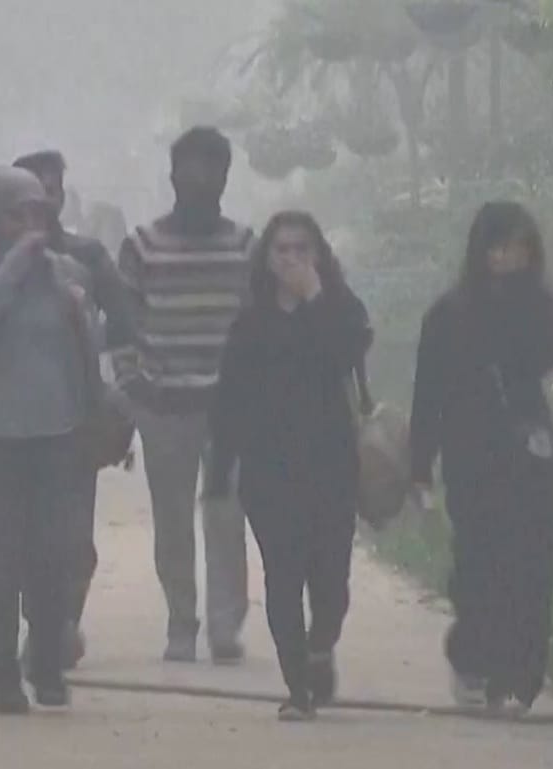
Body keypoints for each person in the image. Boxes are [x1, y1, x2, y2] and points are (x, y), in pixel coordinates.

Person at [0, 168, 106, 713]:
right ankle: (3, 669)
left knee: (56, 555)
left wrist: (75, 303)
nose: (33, 223)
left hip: (58, 438)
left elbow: (89, 351)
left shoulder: (65, 273)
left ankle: (45, 658)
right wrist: (14, 266)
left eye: (40, 212)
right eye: (20, 213)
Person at [206, 211, 371, 722]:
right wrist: (219, 469)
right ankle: (297, 686)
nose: (293, 259)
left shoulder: (341, 308)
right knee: (282, 576)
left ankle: (321, 647)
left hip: (332, 465)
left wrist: (316, 296)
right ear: (267, 259)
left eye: (303, 249)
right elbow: (228, 398)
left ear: (319, 255)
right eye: (283, 250)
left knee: (331, 581)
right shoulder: (251, 322)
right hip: (269, 470)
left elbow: (345, 354)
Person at [409, 201, 553, 715]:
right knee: (479, 564)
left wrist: (515, 302)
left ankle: (519, 676)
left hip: (529, 453)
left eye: (519, 247)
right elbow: (427, 395)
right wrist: (419, 468)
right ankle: (472, 659)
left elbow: (540, 358)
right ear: (480, 250)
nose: (508, 257)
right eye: (499, 247)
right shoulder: (448, 314)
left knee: (531, 563)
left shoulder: (540, 307)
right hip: (471, 456)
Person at [111, 127, 253, 664]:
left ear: (224, 178)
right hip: (164, 405)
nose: (199, 182)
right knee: (172, 520)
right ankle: (181, 621)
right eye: (189, 171)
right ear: (172, 177)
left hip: (228, 408)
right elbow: (121, 323)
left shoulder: (244, 246)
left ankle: (224, 625)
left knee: (226, 515)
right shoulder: (143, 245)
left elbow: (258, 323)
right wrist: (133, 383)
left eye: (210, 172)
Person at [12, 150, 132, 673]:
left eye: (51, 192)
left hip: (75, 419)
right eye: (30, 195)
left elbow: (127, 318)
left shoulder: (87, 257)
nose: (43, 203)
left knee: (72, 538)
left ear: (62, 196)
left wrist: (88, 338)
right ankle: (40, 628)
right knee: (17, 537)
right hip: (9, 423)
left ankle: (59, 627)